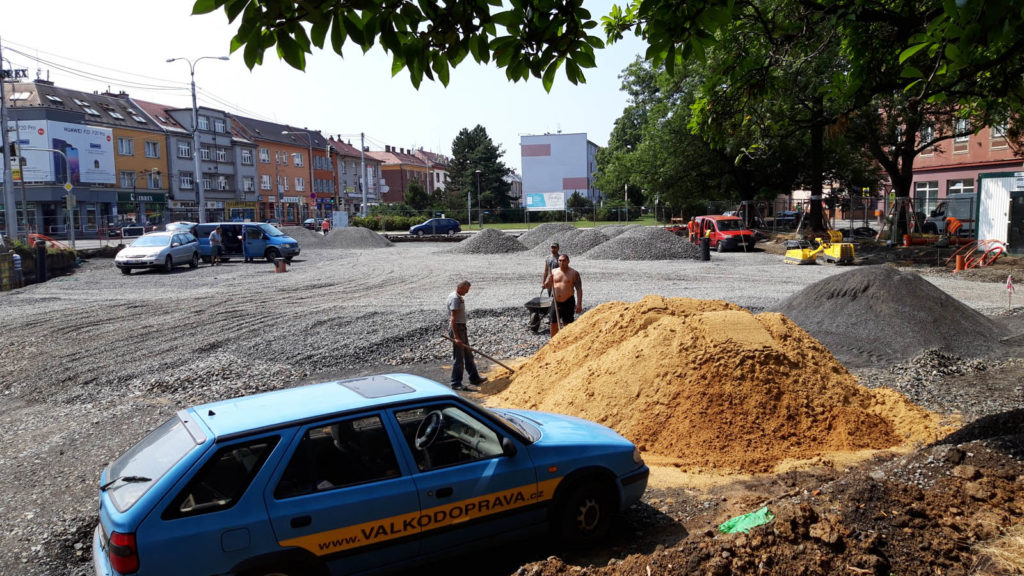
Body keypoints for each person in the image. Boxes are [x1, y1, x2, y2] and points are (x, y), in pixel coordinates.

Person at [446, 280, 486, 392]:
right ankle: (455, 383)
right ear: (461, 287)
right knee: (458, 358)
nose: (467, 292)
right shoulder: (455, 298)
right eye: (466, 289)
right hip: (457, 329)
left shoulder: (456, 296)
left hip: (461, 328)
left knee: (468, 354)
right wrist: (456, 337)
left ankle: (474, 377)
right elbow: (453, 318)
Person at [543, 254, 582, 338]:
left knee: (567, 324)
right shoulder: (554, 272)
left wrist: (579, 304)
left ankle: (566, 342)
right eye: (560, 260)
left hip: (568, 301)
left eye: (564, 260)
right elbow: (548, 286)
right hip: (556, 301)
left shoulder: (574, 273)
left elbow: (579, 289)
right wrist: (547, 282)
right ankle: (553, 342)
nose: (562, 262)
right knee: (553, 323)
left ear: (568, 261)